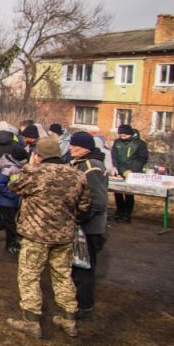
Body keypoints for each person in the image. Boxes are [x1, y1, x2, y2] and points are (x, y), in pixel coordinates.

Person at [6, 137, 90, 339]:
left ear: (38, 155)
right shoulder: (78, 175)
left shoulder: (34, 174)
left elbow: (12, 185)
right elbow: (84, 205)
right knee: (63, 275)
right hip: (64, 235)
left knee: (29, 276)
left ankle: (31, 321)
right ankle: (69, 319)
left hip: (36, 235)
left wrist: (28, 168)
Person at [68, 131, 108, 321]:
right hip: (83, 224)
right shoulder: (81, 163)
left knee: (85, 266)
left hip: (90, 226)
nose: (70, 147)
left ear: (84, 147)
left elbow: (98, 200)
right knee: (77, 264)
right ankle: (77, 300)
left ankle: (84, 306)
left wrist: (80, 217)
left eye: (74, 145)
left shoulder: (92, 167)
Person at [0, 145, 28, 256]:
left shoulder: (16, 166)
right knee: (11, 223)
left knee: (10, 221)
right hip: (6, 200)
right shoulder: (10, 168)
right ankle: (10, 245)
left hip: (12, 199)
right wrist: (11, 194)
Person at [112, 125, 149, 223]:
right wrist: (115, 167)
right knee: (118, 192)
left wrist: (132, 170)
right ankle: (119, 211)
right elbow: (114, 156)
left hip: (132, 172)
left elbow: (142, 159)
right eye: (120, 133)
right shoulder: (117, 142)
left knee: (128, 193)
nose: (122, 135)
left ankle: (127, 214)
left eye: (124, 134)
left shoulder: (139, 144)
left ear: (130, 133)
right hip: (119, 171)